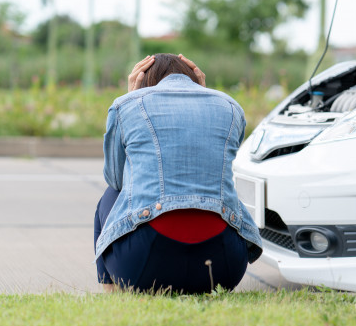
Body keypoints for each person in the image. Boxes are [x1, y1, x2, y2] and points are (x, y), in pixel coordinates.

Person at [93, 53, 262, 293]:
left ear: (143, 81)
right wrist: (205, 94)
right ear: (196, 78)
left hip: (144, 266)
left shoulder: (127, 106)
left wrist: (132, 97)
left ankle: (110, 292)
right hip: (224, 268)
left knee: (111, 194)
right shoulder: (231, 107)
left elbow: (115, 178)